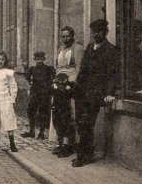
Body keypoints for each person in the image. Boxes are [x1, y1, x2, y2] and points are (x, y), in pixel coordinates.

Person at [72, 18, 118, 167]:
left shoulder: (110, 50)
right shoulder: (90, 47)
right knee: (81, 123)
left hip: (96, 94)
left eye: (99, 31)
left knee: (87, 124)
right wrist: (76, 87)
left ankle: (83, 157)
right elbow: (83, 69)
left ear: (105, 32)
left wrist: (109, 93)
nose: (96, 34)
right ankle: (87, 153)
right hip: (82, 92)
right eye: (94, 32)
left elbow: (112, 74)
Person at [53, 25, 85, 155]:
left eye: (68, 36)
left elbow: (79, 68)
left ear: (72, 36)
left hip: (70, 84)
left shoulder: (78, 48)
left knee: (69, 114)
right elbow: (57, 66)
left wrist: (70, 83)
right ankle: (61, 143)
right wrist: (57, 81)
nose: (65, 39)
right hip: (59, 83)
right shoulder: (61, 48)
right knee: (58, 114)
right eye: (63, 37)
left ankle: (70, 145)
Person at [23, 51, 55, 140]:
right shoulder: (32, 69)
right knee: (30, 111)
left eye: (41, 59)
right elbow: (27, 77)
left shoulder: (48, 69)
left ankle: (41, 132)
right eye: (37, 59)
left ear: (44, 59)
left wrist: (50, 85)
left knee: (43, 113)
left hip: (45, 94)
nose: (39, 61)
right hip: (35, 92)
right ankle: (32, 131)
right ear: (35, 60)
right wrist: (31, 83)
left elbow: (54, 76)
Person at [50, 73, 76, 156]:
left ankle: (66, 147)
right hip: (56, 110)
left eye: (63, 81)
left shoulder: (68, 87)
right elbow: (49, 92)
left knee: (65, 128)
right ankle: (60, 145)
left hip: (65, 110)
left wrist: (68, 88)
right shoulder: (54, 86)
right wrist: (54, 88)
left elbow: (71, 94)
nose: (61, 83)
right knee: (58, 127)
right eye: (59, 81)